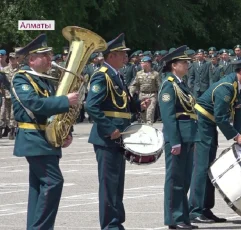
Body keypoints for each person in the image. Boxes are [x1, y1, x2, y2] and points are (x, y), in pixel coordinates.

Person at [11, 34, 79, 230]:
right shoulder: (21, 78)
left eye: (50, 55)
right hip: (34, 139)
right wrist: (65, 101)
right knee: (53, 182)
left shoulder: (44, 80)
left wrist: (66, 131)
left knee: (38, 187)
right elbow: (34, 103)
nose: (50, 59)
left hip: (46, 139)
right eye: (45, 55)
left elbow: (53, 113)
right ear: (32, 59)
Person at [85, 33, 150, 230]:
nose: (125, 57)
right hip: (107, 137)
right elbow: (91, 106)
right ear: (111, 55)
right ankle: (110, 225)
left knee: (117, 183)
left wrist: (138, 106)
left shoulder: (117, 75)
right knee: (108, 183)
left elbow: (122, 105)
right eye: (122, 53)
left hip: (120, 136)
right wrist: (110, 128)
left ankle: (116, 222)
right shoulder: (102, 75)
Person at [189, 57, 241, 223]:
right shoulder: (226, 88)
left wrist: (238, 134)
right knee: (201, 168)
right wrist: (236, 136)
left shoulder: (238, 86)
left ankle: (205, 209)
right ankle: (194, 210)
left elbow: (238, 111)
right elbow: (221, 118)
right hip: (202, 124)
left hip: (209, 124)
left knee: (209, 168)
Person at [159, 45, 199, 230]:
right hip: (178, 138)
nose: (187, 65)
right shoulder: (169, 85)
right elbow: (168, 117)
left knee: (185, 179)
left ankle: (183, 217)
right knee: (175, 179)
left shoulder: (181, 85)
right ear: (174, 65)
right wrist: (174, 141)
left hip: (188, 136)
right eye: (184, 62)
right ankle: (174, 218)